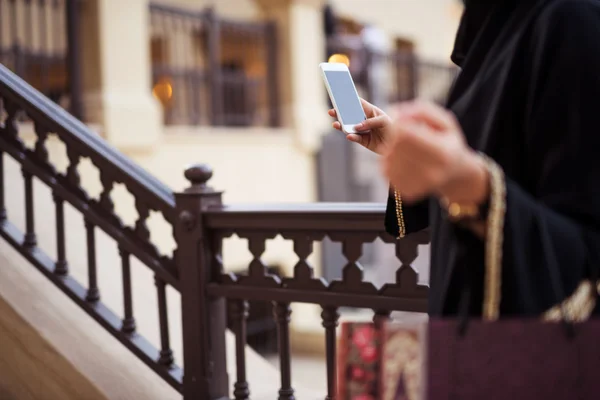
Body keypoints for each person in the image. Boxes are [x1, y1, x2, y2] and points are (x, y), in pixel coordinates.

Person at [327, 0, 600, 319]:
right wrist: (415, 152)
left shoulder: (572, 20)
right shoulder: (491, 37)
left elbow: (585, 249)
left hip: (532, 356)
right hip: (464, 342)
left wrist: (470, 184)